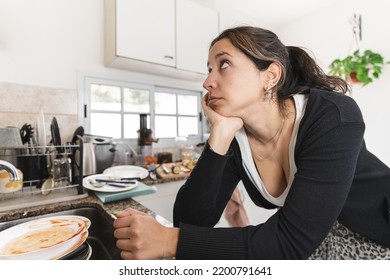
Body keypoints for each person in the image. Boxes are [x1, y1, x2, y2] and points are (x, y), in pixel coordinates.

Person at [113, 26, 390, 260]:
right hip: (315, 242)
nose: (208, 82)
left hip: (376, 237)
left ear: (270, 76)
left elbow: (289, 242)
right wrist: (219, 135)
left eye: (223, 64)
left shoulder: (333, 116)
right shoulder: (237, 138)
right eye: (209, 70)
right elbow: (190, 221)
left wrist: (170, 241)